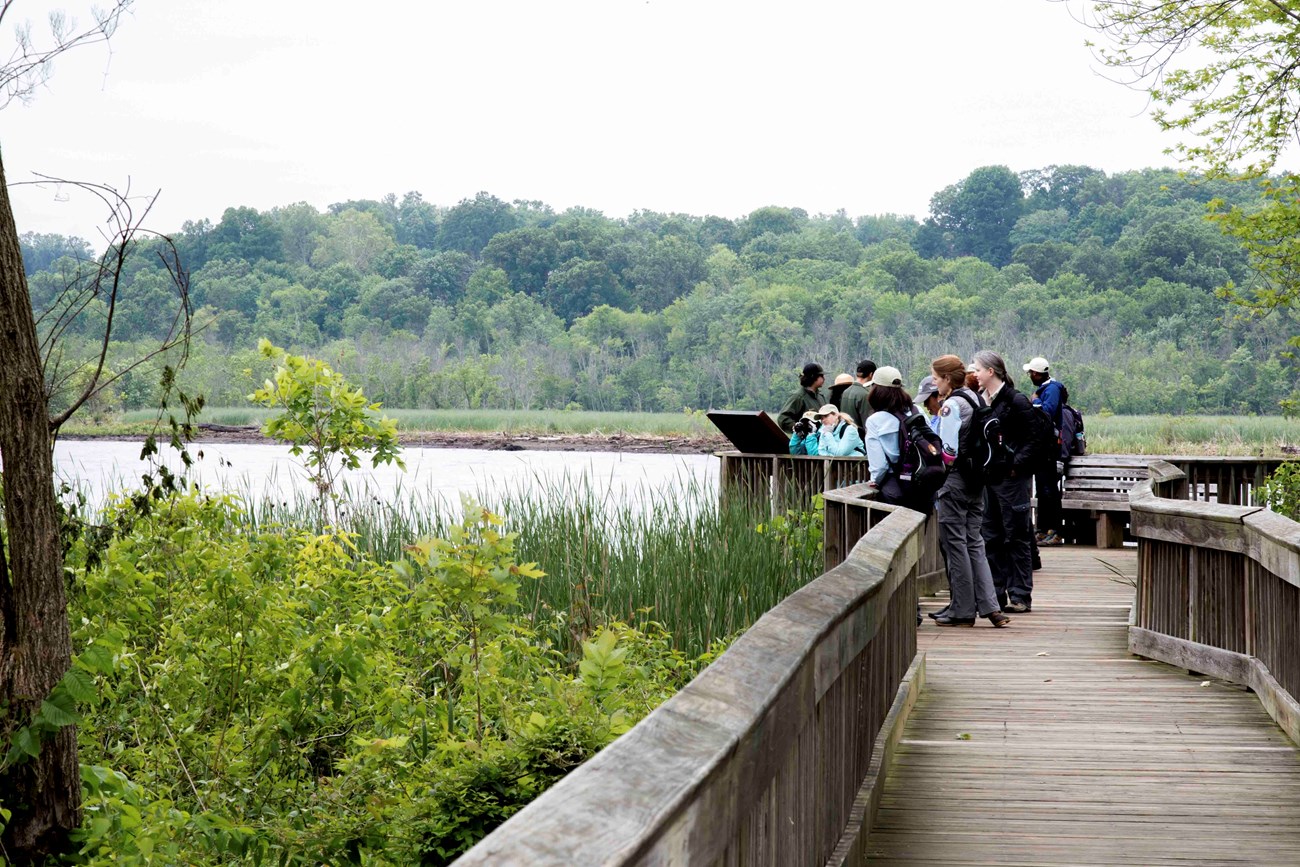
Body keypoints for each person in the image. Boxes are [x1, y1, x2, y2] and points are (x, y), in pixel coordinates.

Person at [928, 355, 1009, 628]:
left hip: (955, 482)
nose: (935, 384)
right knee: (975, 541)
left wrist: (938, 474)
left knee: (955, 544)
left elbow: (949, 450)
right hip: (977, 481)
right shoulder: (977, 398)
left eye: (937, 379)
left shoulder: (951, 405)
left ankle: (962, 610)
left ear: (948, 379)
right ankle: (990, 605)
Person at [973, 350, 1039, 614]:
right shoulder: (982, 401)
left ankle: (1021, 596)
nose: (974, 374)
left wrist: (1015, 466)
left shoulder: (1016, 401)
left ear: (991, 371)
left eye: (977, 369)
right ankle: (996, 596)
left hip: (1011, 482)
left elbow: (1034, 439)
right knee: (991, 537)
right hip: (989, 480)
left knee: (1016, 537)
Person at [1024, 356, 1065, 546]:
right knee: (1042, 488)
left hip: (1049, 447)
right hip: (1042, 447)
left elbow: (1046, 412)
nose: (1030, 376)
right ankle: (1042, 530)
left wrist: (1034, 401)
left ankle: (1055, 531)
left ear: (1037, 374)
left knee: (1050, 491)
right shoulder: (1045, 389)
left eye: (1031, 373)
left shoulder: (1052, 389)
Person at [863, 365, 911, 504]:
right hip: (922, 486)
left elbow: (880, 466)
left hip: (896, 487)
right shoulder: (916, 412)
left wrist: (875, 480)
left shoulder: (875, 420)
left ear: (876, 390)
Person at [777, 362, 828, 434]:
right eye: (821, 376)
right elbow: (783, 418)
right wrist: (798, 428)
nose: (824, 378)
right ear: (814, 377)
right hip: (805, 442)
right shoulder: (799, 397)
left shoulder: (820, 397)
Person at [841, 360, 875, 430]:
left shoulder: (845, 392)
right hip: (859, 436)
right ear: (871, 374)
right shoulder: (864, 394)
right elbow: (867, 423)